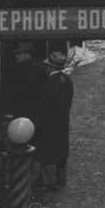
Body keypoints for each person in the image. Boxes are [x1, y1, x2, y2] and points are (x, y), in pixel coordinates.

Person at [34, 51, 74, 192]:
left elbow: (44, 107)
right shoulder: (67, 80)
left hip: (49, 123)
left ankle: (49, 183)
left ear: (50, 67)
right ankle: (60, 180)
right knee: (61, 151)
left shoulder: (49, 83)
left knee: (47, 152)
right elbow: (68, 102)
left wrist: (38, 124)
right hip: (62, 121)